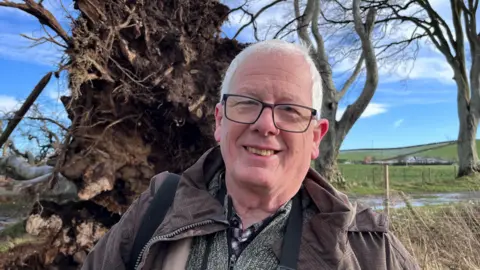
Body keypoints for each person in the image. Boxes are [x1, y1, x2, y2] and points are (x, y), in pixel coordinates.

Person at [82, 39, 420, 270]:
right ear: (219, 121)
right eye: (246, 103)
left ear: (316, 137)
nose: (265, 124)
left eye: (289, 109)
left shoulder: (369, 247)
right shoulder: (157, 209)